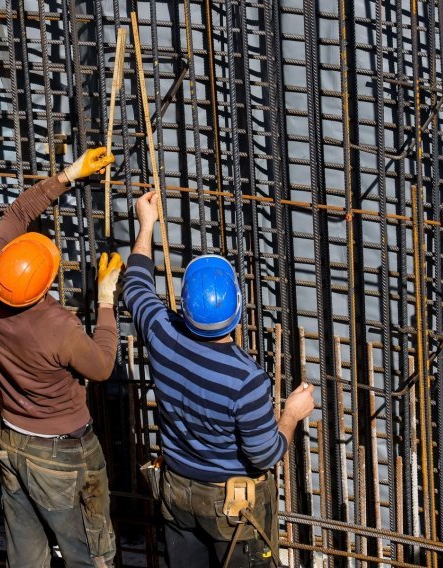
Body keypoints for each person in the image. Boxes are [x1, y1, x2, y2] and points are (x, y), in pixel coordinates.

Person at [123, 191, 317, 567]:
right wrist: (292, 414)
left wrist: (146, 225)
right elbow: (263, 455)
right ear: (238, 310)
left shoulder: (162, 334)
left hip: (176, 492)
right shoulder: (247, 381)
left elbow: (136, 287)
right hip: (230, 507)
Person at [0, 147, 123, 567]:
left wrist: (67, 176)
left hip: (11, 440)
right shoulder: (57, 327)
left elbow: (17, 213)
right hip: (62, 454)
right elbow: (101, 366)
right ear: (43, 289)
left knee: (27, 553)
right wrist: (108, 301)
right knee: (87, 552)